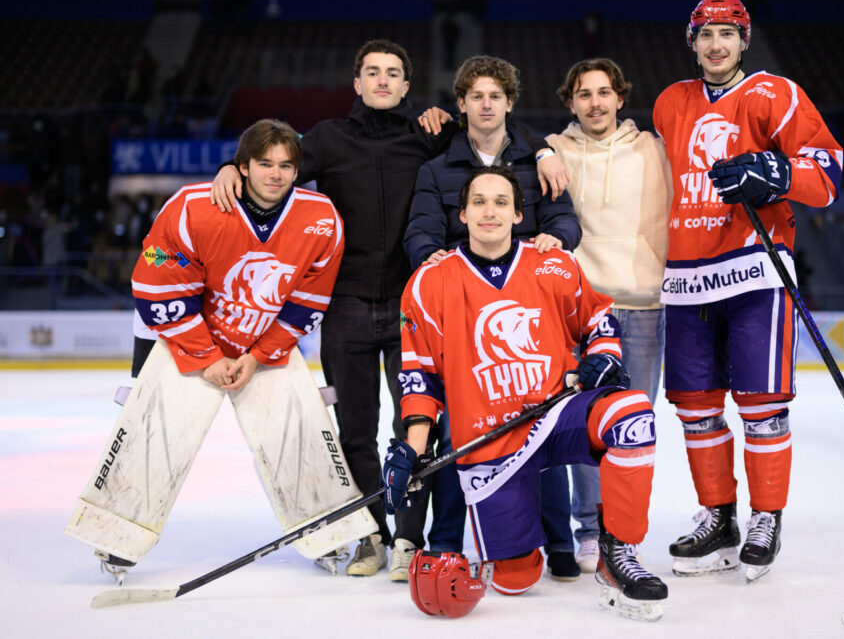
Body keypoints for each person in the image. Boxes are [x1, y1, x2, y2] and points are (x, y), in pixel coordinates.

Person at [208, 40, 569, 578]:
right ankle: (371, 535)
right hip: (347, 305)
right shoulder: (328, 139)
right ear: (356, 84)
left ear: (406, 86)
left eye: (393, 73)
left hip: (412, 310)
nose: (382, 81)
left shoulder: (427, 136)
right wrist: (229, 167)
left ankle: (408, 538)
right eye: (371, 73)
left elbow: (492, 134)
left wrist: (542, 149)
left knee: (417, 423)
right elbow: (276, 164)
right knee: (354, 430)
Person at [66, 119, 375, 582]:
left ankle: (329, 533)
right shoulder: (194, 205)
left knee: (301, 430)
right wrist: (206, 356)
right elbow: (154, 284)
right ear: (242, 166)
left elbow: (309, 299)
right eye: (265, 164)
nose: (276, 174)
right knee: (157, 431)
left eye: (286, 165)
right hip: (192, 340)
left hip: (262, 345)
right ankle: (116, 537)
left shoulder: (321, 217)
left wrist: (259, 354)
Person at [385, 166, 667, 620]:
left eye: (500, 202)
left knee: (632, 414)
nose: (489, 211)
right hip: (490, 438)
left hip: (556, 414)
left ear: (519, 214)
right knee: (517, 580)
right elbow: (420, 375)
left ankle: (620, 554)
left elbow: (598, 321)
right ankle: (512, 551)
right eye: (478, 202)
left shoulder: (553, 264)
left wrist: (606, 354)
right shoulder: (429, 282)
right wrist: (412, 448)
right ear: (462, 215)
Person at [652, 0, 843, 581]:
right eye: (705, 34)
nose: (715, 45)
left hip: (754, 271)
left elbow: (829, 173)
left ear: (743, 41)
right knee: (696, 407)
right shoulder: (670, 103)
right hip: (685, 280)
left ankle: (766, 517)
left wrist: (778, 174)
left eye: (726, 34)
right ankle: (718, 515)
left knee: (761, 404)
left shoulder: (775, 94)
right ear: (692, 41)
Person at [404, 55, 583, 581]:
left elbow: (564, 219)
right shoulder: (436, 168)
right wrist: (427, 257)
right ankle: (444, 540)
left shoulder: (535, 161)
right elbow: (420, 229)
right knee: (462, 433)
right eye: (475, 97)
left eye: (495, 96)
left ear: (509, 103)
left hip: (525, 312)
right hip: (461, 316)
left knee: (542, 425)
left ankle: (559, 543)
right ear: (461, 105)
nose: (485, 105)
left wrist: (558, 240)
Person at [547, 58, 673, 573]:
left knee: (632, 424)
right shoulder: (555, 150)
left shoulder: (654, 148)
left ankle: (623, 529)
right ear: (571, 102)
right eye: (584, 94)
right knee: (584, 424)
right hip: (582, 308)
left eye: (604, 93)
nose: (595, 103)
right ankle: (590, 529)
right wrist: (539, 149)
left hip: (643, 304)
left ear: (620, 97)